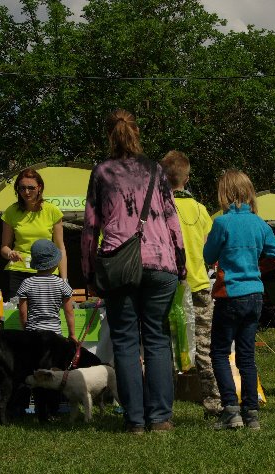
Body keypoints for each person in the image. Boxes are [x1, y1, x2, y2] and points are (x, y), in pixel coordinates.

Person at [81, 109, 186, 434]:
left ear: (109, 135)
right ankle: (161, 418)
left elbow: (90, 228)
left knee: (125, 342)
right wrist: (180, 263)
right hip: (160, 262)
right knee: (157, 339)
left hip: (118, 264)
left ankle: (135, 420)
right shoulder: (155, 170)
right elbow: (172, 219)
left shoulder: (102, 172)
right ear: (136, 133)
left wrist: (89, 273)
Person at [203, 170, 275, 431]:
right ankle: (251, 413)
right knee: (247, 356)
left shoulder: (222, 223)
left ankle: (230, 410)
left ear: (224, 194)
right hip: (255, 294)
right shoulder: (260, 224)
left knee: (219, 352)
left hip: (230, 294)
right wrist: (257, 269)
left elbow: (208, 256)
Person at [160, 150, 222, 418]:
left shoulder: (158, 209)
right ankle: (214, 404)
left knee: (163, 348)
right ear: (187, 178)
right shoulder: (200, 210)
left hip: (166, 288)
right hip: (199, 286)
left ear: (163, 177)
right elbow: (210, 248)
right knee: (204, 348)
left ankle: (162, 409)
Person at [0, 168, 67, 300]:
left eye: (31, 188)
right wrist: (10, 253)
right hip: (18, 272)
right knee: (17, 312)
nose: (26, 192)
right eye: (22, 188)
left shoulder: (52, 210)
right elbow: (4, 247)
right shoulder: (10, 212)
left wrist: (64, 280)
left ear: (39, 188)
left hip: (46, 271)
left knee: (45, 310)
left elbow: (60, 248)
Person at [17, 239, 76, 340]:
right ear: (55, 262)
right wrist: (72, 334)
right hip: (55, 336)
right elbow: (69, 312)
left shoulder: (27, 283)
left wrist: (26, 330)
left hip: (33, 335)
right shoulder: (62, 284)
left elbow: (23, 313)